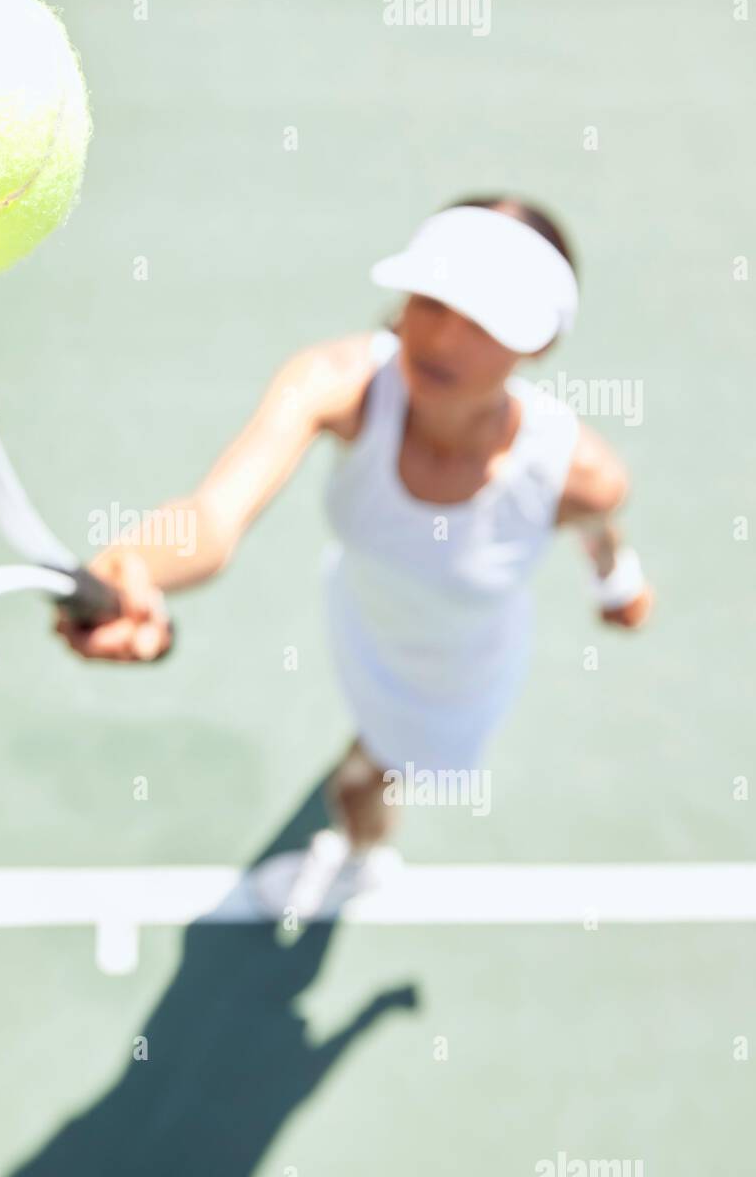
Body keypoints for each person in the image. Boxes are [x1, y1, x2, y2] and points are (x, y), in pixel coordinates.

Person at [56, 198, 653, 918]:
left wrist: (615, 579)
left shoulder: (581, 473)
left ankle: (364, 863)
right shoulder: (338, 382)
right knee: (362, 746)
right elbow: (212, 519)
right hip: (360, 621)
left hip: (452, 674)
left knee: (361, 784)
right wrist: (127, 570)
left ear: (538, 344)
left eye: (482, 322)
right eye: (431, 300)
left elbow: (597, 523)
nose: (441, 337)